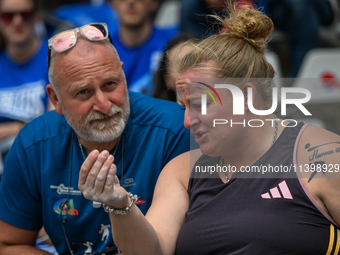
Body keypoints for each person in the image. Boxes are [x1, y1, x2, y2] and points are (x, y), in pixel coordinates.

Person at [78, 3, 340, 254]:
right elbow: (151, 251)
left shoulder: (321, 157)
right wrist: (119, 204)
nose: (187, 122)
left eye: (200, 104)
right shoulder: (182, 170)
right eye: (184, 107)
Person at [0, 22, 190, 254]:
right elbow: (9, 243)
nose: (103, 104)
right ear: (56, 99)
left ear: (123, 75)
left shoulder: (176, 129)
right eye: (84, 92)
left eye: (110, 84)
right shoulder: (34, 144)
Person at [0, 0, 51, 165]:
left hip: (41, 158)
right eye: (8, 16)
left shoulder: (54, 58)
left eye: (25, 15)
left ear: (36, 17)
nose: (17, 21)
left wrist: (14, 128)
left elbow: (54, 126)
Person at [109, 0, 178, 96]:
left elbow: (202, 88)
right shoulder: (101, 45)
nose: (131, 2)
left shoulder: (175, 42)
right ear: (113, 3)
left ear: (154, 3)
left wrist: (203, 111)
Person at [153, 33, 197, 102]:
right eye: (179, 66)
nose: (188, 73)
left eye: (194, 63)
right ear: (166, 78)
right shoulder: (155, 111)